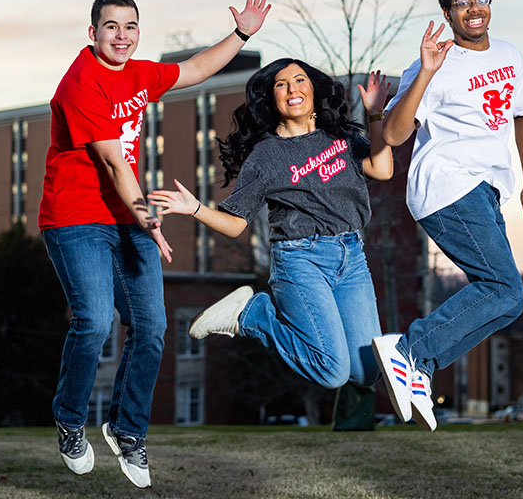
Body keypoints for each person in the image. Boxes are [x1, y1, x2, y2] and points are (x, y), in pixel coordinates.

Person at [40, 0, 270, 488]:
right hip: (76, 219)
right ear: (93, 32)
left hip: (128, 219)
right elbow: (114, 163)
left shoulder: (141, 73)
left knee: (151, 326)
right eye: (111, 27)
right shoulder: (82, 82)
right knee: (96, 319)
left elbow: (195, 69)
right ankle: (69, 418)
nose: (121, 36)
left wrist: (242, 34)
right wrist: (148, 219)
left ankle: (127, 431)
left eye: (130, 26)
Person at [146, 61, 392, 400]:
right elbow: (236, 224)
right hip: (301, 260)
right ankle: (252, 314)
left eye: (300, 80)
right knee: (332, 371)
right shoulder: (265, 157)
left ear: (313, 88)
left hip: (351, 256)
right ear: (272, 97)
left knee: (366, 372)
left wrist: (376, 114)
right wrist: (196, 209)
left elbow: (382, 168)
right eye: (281, 84)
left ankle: (255, 315)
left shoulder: (341, 135)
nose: (293, 89)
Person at [371, 0, 523, 431]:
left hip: (487, 190)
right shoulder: (433, 62)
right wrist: (426, 72)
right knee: (504, 287)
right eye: (462, 3)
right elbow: (392, 132)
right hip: (447, 185)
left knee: (510, 301)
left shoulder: (508, 54)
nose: (474, 9)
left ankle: (419, 363)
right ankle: (411, 349)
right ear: (448, 12)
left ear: (491, 3)